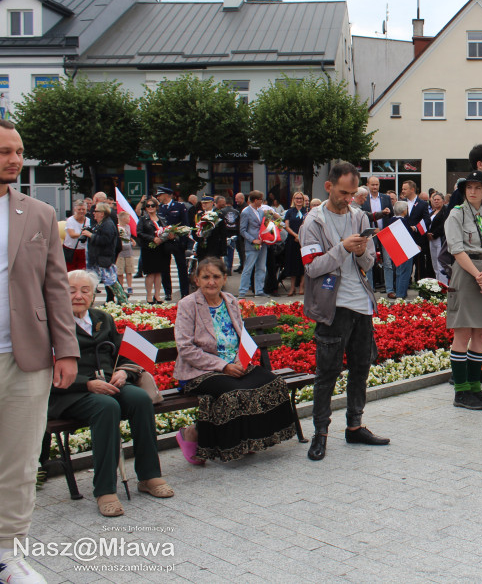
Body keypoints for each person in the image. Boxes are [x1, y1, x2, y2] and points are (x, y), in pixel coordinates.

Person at [0, 118, 79, 583]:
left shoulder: (39, 214)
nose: (15, 159)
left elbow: (56, 286)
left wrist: (65, 350)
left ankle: (8, 553)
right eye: (5, 152)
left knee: (19, 460)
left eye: (18, 150)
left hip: (24, 358)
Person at [50, 270, 173, 517]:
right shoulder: (53, 323)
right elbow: (46, 369)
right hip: (70, 393)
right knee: (107, 407)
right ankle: (105, 490)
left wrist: (125, 373)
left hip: (109, 385)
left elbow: (124, 354)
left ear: (93, 294)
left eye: (84, 290)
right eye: (71, 290)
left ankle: (149, 476)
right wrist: (86, 384)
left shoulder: (102, 318)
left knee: (139, 399)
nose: (78, 295)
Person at [301, 162, 390, 461]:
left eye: (353, 193)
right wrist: (342, 247)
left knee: (360, 369)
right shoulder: (313, 222)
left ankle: (355, 426)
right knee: (326, 372)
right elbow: (312, 267)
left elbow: (368, 264)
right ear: (328, 187)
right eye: (343, 192)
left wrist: (363, 251)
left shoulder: (359, 216)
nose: (348, 199)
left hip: (361, 304)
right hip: (333, 306)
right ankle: (320, 433)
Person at [173, 257, 295, 463]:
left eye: (216, 277)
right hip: (202, 370)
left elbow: (241, 336)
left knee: (274, 383)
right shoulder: (188, 305)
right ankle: (195, 434)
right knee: (234, 393)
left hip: (235, 364)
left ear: (224, 279)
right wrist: (223, 366)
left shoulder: (229, 300)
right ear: (196, 280)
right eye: (205, 277)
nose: (211, 282)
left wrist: (240, 360)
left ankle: (251, 440)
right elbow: (185, 348)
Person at [444, 171, 482, 410]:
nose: (473, 191)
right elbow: (456, 249)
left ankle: (475, 387)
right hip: (466, 272)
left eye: (478, 187)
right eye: (469, 187)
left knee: (481, 333)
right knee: (463, 333)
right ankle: (461, 392)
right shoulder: (456, 215)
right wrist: (479, 276)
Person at [361, 176, 395, 295]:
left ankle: (390, 289)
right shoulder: (364, 199)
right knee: (369, 260)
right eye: (372, 185)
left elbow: (391, 216)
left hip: (385, 233)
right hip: (370, 234)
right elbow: (363, 216)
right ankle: (370, 288)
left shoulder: (385, 198)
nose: (375, 187)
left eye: (377, 185)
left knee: (387, 262)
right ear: (368, 185)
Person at [155, 186, 189, 302]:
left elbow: (185, 224)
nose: (158, 197)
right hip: (165, 242)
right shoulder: (159, 208)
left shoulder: (179, 206)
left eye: (160, 195)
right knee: (165, 268)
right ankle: (167, 292)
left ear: (167, 195)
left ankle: (184, 292)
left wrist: (179, 237)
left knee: (182, 267)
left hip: (177, 241)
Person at [84, 203, 120, 305]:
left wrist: (91, 235)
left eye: (96, 211)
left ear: (102, 213)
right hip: (96, 259)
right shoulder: (99, 224)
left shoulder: (108, 224)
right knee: (92, 283)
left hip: (104, 258)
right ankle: (89, 304)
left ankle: (124, 301)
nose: (93, 214)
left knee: (112, 282)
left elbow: (106, 240)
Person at [137, 198, 170, 304]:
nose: (150, 208)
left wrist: (164, 238)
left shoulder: (162, 219)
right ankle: (149, 296)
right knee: (150, 273)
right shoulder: (143, 219)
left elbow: (167, 230)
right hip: (149, 249)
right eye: (148, 206)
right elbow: (139, 233)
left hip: (161, 248)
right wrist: (152, 239)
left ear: (156, 207)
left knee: (159, 273)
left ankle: (157, 295)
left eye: (152, 205)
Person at [238, 191, 268, 297]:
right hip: (252, 244)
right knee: (248, 268)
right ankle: (242, 291)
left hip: (262, 242)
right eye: (261, 199)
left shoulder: (261, 211)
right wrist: (252, 240)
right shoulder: (246, 212)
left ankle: (259, 290)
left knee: (261, 267)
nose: (262, 201)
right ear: (256, 200)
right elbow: (242, 230)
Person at [281, 192, 308, 297]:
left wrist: (300, 236)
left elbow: (306, 224)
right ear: (293, 199)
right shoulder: (289, 212)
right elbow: (286, 226)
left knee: (303, 263)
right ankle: (292, 287)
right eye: (297, 198)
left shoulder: (306, 211)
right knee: (292, 263)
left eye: (301, 198)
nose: (299, 200)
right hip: (292, 240)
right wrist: (295, 235)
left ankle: (301, 285)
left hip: (303, 240)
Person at [391, 200, 417, 299]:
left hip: (396, 249)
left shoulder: (392, 219)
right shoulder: (403, 221)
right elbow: (407, 236)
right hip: (405, 249)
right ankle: (401, 294)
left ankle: (399, 291)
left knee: (399, 272)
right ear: (403, 210)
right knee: (405, 272)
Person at [426, 192, 448, 284]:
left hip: (440, 239)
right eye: (434, 200)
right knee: (434, 263)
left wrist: (434, 234)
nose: (436, 201)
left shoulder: (445, 211)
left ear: (443, 201)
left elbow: (443, 225)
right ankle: (437, 284)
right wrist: (428, 233)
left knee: (440, 264)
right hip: (431, 240)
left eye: (438, 200)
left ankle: (443, 285)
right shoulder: (431, 213)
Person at [63, 199, 90, 271]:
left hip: (82, 249)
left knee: (82, 271)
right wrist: (84, 233)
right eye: (79, 209)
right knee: (70, 271)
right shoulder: (70, 220)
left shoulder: (88, 221)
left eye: (83, 209)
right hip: (70, 249)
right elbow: (72, 234)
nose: (81, 211)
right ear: (75, 209)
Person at [115, 211, 135, 297]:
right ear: (123, 218)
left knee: (129, 269)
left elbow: (128, 236)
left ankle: (129, 286)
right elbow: (122, 238)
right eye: (128, 218)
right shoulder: (118, 227)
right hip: (120, 251)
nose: (129, 219)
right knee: (120, 270)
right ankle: (121, 286)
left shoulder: (128, 227)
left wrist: (131, 240)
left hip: (128, 250)